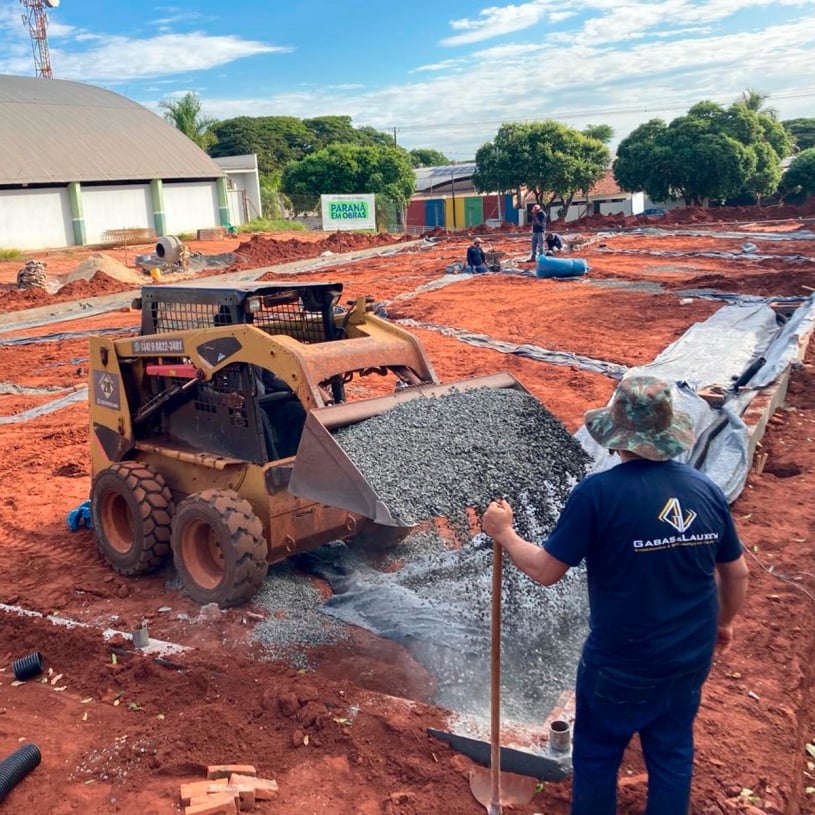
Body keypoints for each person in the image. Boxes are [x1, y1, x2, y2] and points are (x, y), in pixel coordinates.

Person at [481, 375, 748, 815]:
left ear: (615, 437)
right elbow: (735, 573)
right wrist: (724, 624)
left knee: (598, 754)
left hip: (621, 665)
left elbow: (546, 570)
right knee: (671, 752)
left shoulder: (598, 495)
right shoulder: (705, 490)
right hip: (689, 656)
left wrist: (505, 533)